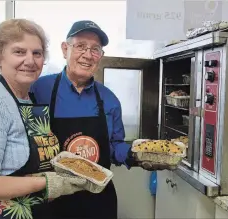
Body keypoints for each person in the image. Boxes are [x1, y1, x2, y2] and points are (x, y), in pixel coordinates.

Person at [30, 20, 172, 219]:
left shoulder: (109, 99)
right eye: (80, 46)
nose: (88, 55)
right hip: (53, 199)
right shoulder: (39, 90)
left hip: (97, 200)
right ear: (65, 49)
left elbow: (114, 146)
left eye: (95, 49)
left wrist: (137, 154)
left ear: (101, 56)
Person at [0, 19, 92, 219]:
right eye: (19, 52)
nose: (30, 61)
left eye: (37, 53)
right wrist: (48, 182)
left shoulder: (28, 97)